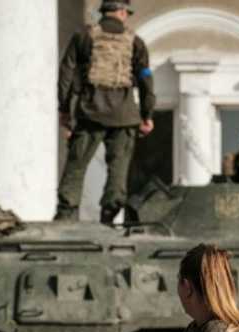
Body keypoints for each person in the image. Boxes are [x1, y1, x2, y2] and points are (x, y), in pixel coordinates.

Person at [55, 0, 156, 224]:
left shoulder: (83, 37)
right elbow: (146, 80)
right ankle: (109, 217)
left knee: (76, 166)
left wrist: (64, 110)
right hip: (125, 117)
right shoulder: (136, 42)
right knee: (118, 169)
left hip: (89, 114)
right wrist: (147, 115)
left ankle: (65, 216)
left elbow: (66, 76)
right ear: (121, 12)